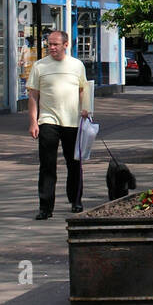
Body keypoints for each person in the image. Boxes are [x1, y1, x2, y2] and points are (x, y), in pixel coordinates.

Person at [27, 30, 90, 220]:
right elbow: (33, 96)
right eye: (49, 44)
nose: (51, 48)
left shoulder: (77, 65)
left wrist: (86, 109)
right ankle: (45, 207)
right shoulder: (39, 66)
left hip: (72, 121)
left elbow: (83, 90)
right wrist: (33, 122)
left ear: (66, 45)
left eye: (55, 44)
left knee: (74, 163)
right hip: (48, 120)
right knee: (47, 165)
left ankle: (76, 200)